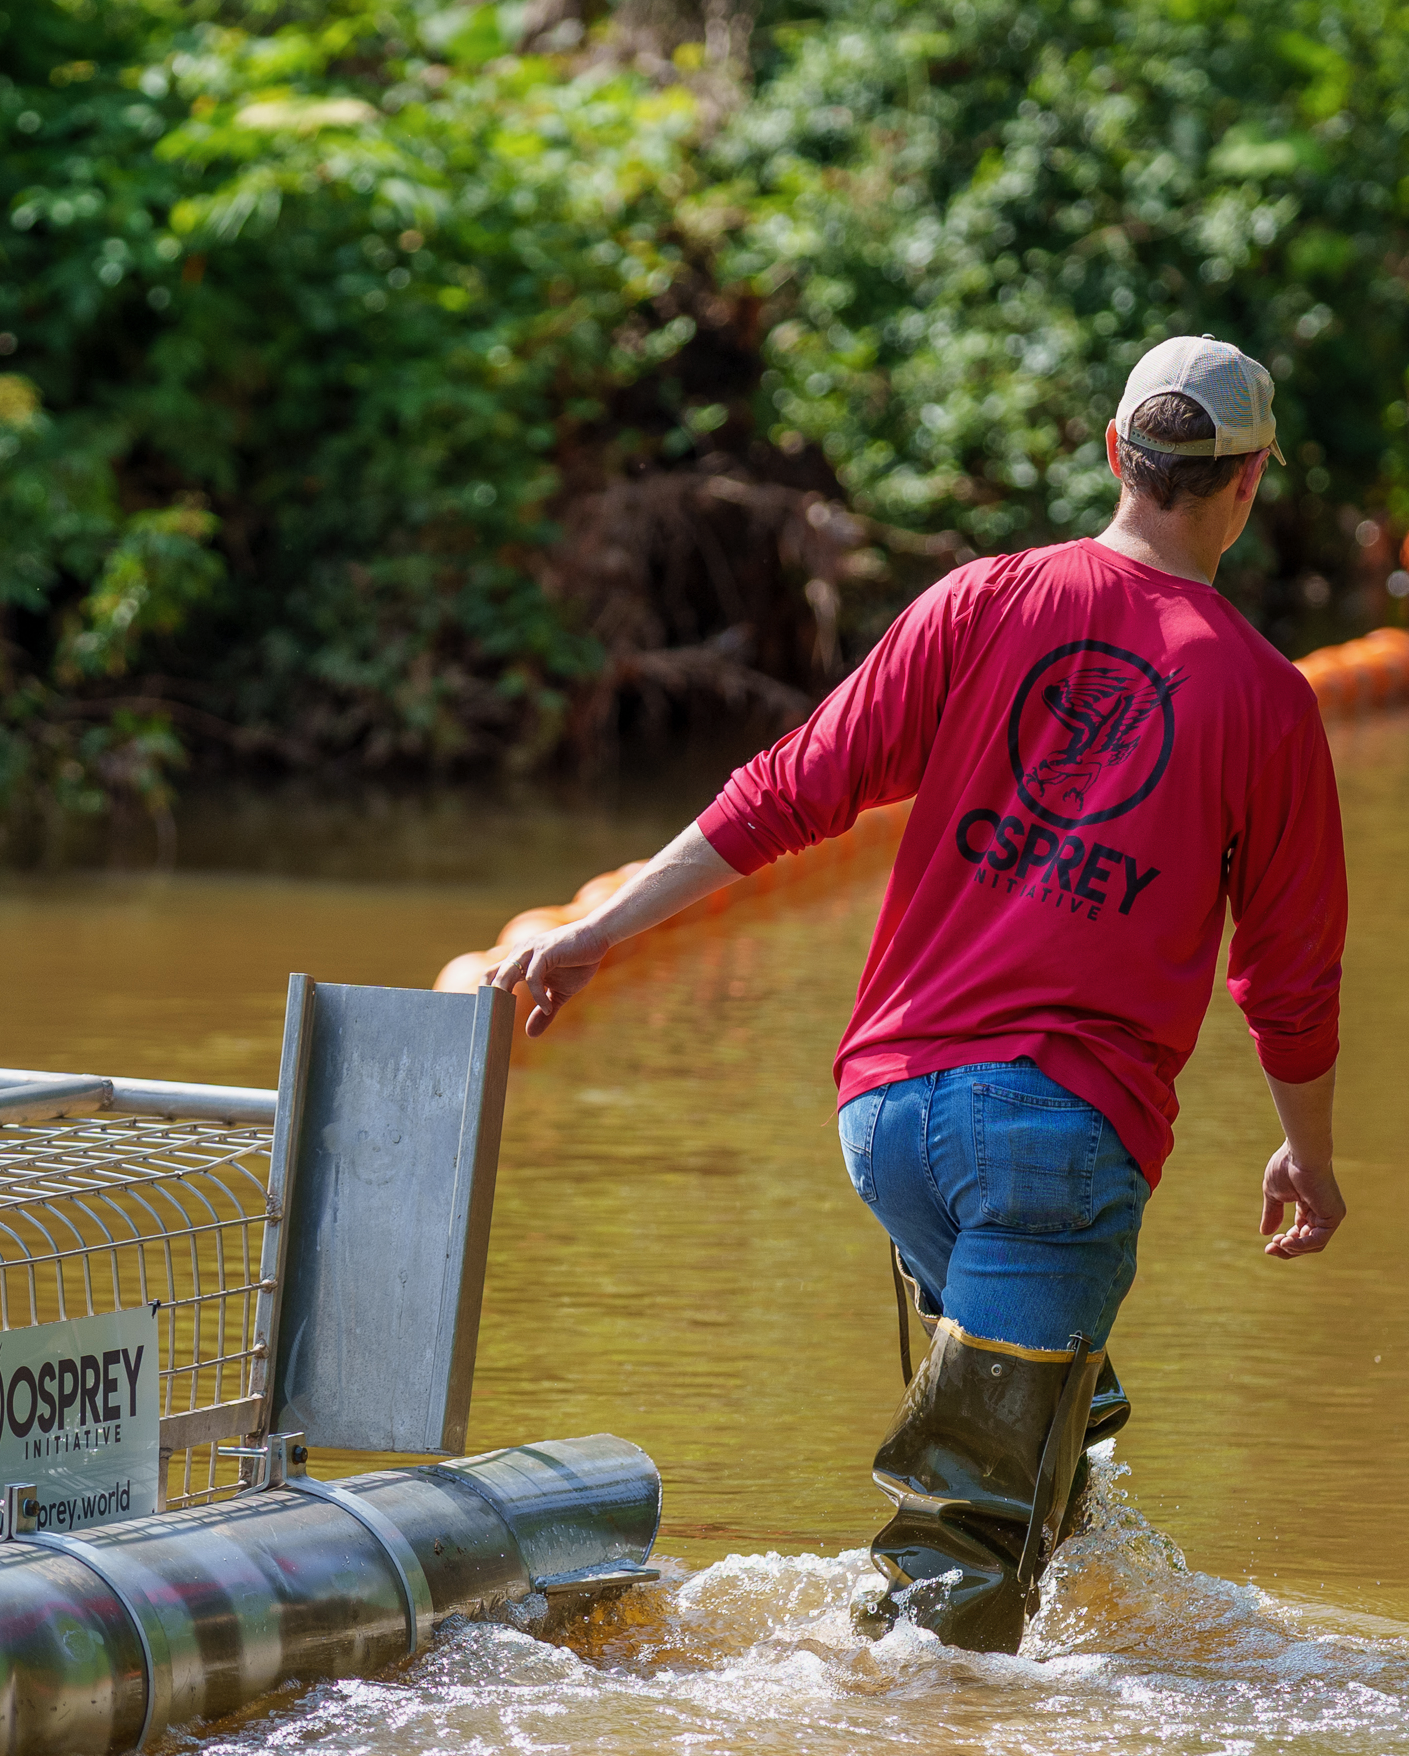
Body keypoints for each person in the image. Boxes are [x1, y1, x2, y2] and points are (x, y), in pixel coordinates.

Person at [488, 335, 1349, 1650]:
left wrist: (602, 928)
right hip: (1057, 1136)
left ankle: (1051, 1568)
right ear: (1250, 484)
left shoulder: (979, 600)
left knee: (1048, 1430)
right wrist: (1309, 1151)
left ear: (1116, 454)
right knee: (970, 1540)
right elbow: (1288, 974)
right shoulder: (1265, 699)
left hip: (886, 1122)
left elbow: (793, 787)